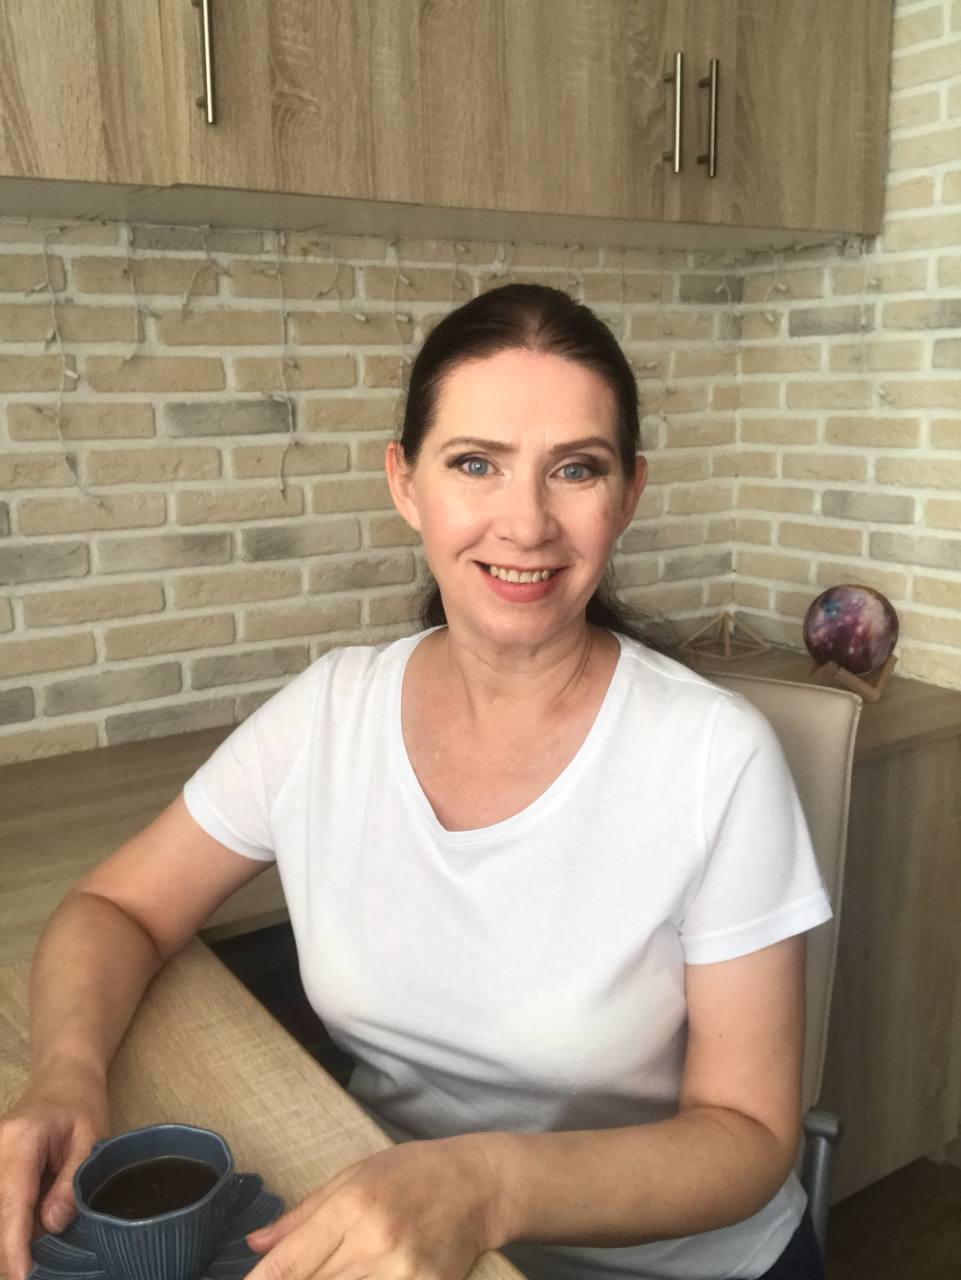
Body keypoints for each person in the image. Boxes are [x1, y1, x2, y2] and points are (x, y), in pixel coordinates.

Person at [0, 283, 830, 1280]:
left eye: (575, 468)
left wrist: (481, 1188)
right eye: (475, 463)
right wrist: (65, 1074)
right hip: (397, 1242)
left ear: (627, 495)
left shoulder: (715, 756)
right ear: (405, 482)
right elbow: (117, 906)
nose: (524, 523)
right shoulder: (328, 713)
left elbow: (746, 1134)